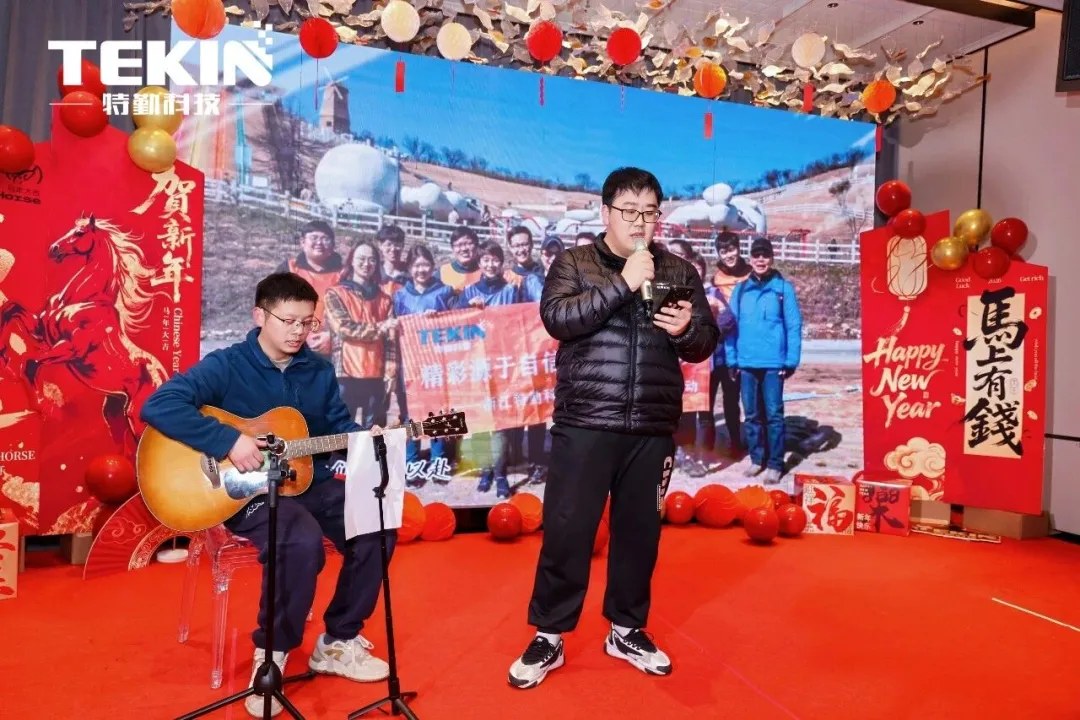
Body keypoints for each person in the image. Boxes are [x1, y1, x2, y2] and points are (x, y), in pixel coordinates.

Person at [140, 273, 392, 718]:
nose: (299, 332)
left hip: (305, 481)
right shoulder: (226, 365)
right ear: (260, 316)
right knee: (298, 540)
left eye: (307, 322)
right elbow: (159, 405)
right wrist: (227, 441)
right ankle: (272, 652)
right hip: (246, 491)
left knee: (377, 522)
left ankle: (338, 640)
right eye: (288, 321)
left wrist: (363, 437)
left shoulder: (317, 370)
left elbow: (334, 426)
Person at [508, 167, 718, 689]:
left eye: (649, 212)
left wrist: (686, 329)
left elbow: (704, 340)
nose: (640, 222)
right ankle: (549, 634)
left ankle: (626, 629)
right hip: (585, 420)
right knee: (568, 529)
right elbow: (558, 318)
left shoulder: (678, 269)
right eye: (629, 211)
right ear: (606, 213)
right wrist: (624, 283)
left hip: (652, 423)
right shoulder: (575, 262)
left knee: (640, 534)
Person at [725, 237, 803, 484]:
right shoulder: (740, 290)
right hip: (746, 363)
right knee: (751, 415)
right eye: (756, 255)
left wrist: (790, 361)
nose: (760, 260)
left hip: (773, 363)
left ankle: (775, 464)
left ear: (771, 258)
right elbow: (730, 327)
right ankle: (757, 459)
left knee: (774, 415)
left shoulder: (783, 289)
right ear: (750, 259)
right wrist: (732, 360)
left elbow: (793, 326)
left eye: (765, 255)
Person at [458, 242, 521, 500]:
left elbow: (520, 324)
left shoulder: (511, 291)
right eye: (486, 259)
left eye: (495, 259)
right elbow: (456, 325)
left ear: (501, 263)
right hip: (476, 364)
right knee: (481, 420)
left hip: (502, 364)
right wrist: (467, 309)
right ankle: (485, 471)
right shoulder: (468, 291)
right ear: (480, 262)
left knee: (501, 423)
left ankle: (501, 473)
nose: (491, 264)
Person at [392, 244, 455, 486]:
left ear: (432, 266)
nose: (421, 270)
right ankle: (412, 462)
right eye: (416, 265)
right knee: (410, 415)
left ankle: (439, 461)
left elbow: (457, 323)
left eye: (425, 264)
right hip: (409, 366)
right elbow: (393, 329)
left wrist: (438, 320)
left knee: (437, 413)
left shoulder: (445, 292)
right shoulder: (400, 296)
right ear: (409, 268)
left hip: (437, 364)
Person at [324, 241, 397, 429]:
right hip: (345, 372)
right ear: (351, 261)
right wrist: (380, 327)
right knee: (341, 428)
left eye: (372, 260)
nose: (367, 264)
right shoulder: (335, 294)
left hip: (376, 373)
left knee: (375, 430)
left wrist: (391, 371)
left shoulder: (385, 299)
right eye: (361, 259)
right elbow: (344, 328)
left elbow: (391, 339)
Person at [708, 230, 751, 457]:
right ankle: (708, 444)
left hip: (741, 345)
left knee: (732, 397)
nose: (729, 255)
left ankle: (735, 442)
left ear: (739, 248)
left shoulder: (751, 275)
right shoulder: (714, 280)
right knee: (707, 398)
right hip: (717, 346)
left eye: (732, 249)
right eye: (723, 251)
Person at [275, 220, 344, 358]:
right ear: (302, 242)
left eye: (325, 239)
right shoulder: (289, 269)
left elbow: (353, 313)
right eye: (314, 238)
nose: (319, 243)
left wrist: (331, 336)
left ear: (332, 245)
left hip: (333, 348)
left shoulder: (344, 274)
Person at [438, 226, 482, 290]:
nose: (464, 249)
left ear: (477, 246)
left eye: (468, 244)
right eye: (459, 245)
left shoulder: (485, 271)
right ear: (452, 249)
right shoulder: (442, 272)